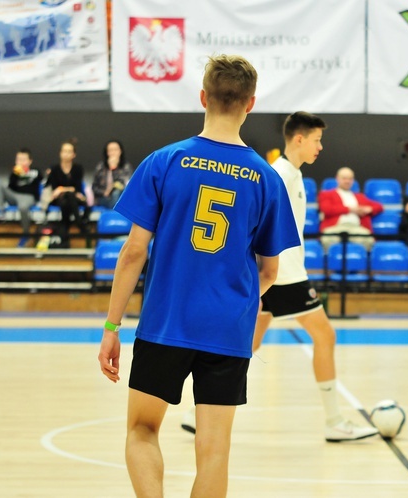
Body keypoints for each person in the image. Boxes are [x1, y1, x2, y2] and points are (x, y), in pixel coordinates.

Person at [97, 54, 300, 498]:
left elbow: (133, 253)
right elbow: (269, 269)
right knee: (214, 452)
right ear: (250, 104)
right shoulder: (267, 179)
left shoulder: (164, 161)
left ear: (203, 97)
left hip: (166, 323)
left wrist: (112, 327)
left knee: (142, 430)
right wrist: (237, 302)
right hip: (228, 330)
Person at [181, 111, 379, 442]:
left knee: (246, 343)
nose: (320, 147)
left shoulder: (293, 175)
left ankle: (195, 413)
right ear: (299, 139)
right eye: (317, 140)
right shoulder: (279, 176)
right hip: (283, 274)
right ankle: (334, 420)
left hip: (275, 273)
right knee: (325, 336)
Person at [318, 166, 383, 251]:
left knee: (367, 239)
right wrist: (350, 209)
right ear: (337, 179)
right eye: (344, 178)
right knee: (328, 239)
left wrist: (369, 209)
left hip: (356, 228)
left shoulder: (359, 197)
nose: (347, 181)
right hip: (335, 227)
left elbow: (379, 206)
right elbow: (327, 209)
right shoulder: (326, 194)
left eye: (350, 179)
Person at [0, 147, 43, 247]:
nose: (21, 162)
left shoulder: (36, 171)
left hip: (28, 197)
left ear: (30, 161)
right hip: (14, 195)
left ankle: (25, 234)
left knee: (23, 207)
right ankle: (1, 211)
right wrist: (16, 174)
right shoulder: (15, 172)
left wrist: (25, 173)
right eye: (19, 159)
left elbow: (40, 179)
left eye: (24, 159)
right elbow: (11, 186)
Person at [45, 139, 88, 241]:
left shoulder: (78, 168)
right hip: (59, 199)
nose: (66, 154)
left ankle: (64, 238)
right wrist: (68, 190)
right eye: (64, 151)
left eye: (69, 151)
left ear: (74, 155)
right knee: (67, 198)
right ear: (60, 153)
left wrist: (63, 189)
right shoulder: (54, 169)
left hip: (73, 198)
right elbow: (54, 188)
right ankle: (79, 223)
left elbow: (76, 188)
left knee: (68, 200)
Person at [91, 140, 134, 209]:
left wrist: (114, 169)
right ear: (107, 152)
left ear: (120, 151)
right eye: (110, 150)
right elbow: (94, 187)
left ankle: (116, 214)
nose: (113, 152)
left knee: (116, 193)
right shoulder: (100, 167)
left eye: (116, 150)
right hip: (104, 198)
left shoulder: (126, 167)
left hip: (120, 197)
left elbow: (125, 184)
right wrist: (104, 192)